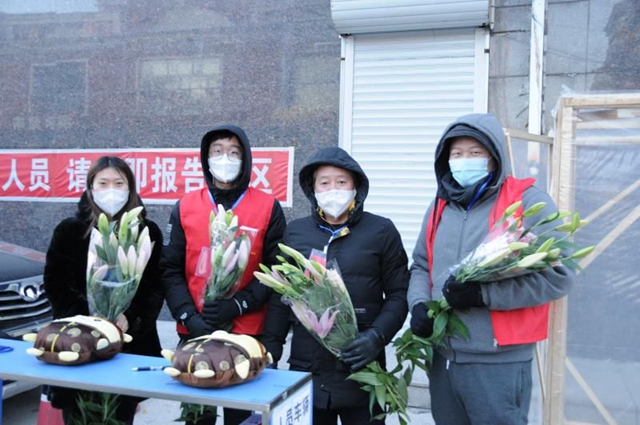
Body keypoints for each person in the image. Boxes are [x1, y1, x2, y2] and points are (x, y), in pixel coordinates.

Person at [407, 113, 575, 425]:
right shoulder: (440, 205)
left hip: (499, 362)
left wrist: (484, 295)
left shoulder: (527, 202)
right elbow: (421, 264)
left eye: (475, 152)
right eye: (456, 154)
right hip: (443, 357)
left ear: (495, 157)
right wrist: (418, 304)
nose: (464, 161)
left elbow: (558, 275)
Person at [261, 147, 409, 425]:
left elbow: (399, 294)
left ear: (356, 187)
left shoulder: (381, 230)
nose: (333, 190)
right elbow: (281, 296)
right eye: (324, 183)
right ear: (312, 189)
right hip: (307, 369)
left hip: (362, 368)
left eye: (342, 182)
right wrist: (271, 350)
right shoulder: (296, 232)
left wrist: (376, 336)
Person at [160, 125, 286, 425]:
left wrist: (239, 304)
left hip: (247, 334)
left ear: (246, 159)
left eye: (233, 152)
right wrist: (188, 316)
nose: (225, 159)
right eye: (217, 152)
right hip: (196, 331)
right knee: (197, 416)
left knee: (241, 417)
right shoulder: (186, 206)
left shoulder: (268, 207)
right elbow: (170, 269)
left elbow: (277, 271)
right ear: (206, 159)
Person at [43, 156, 164, 425]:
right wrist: (87, 321)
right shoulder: (70, 231)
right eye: (103, 183)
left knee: (119, 413)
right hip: (76, 342)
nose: (111, 190)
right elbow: (56, 284)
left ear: (130, 189)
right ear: (91, 188)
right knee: (79, 413)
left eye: (119, 183)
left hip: (127, 343)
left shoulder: (147, 232)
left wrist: (130, 317)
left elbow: (154, 287)